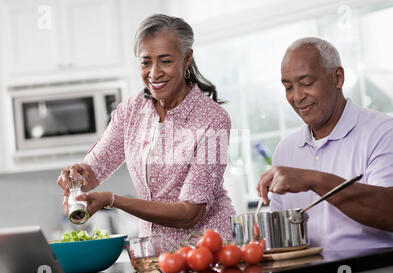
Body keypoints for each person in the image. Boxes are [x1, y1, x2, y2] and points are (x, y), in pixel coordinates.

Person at [57, 14, 235, 250]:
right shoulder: (131, 111)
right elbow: (93, 171)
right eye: (145, 62)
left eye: (165, 61)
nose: (154, 73)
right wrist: (75, 178)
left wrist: (112, 200)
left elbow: (190, 213)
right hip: (154, 254)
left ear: (187, 58)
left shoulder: (213, 119)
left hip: (207, 252)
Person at [256, 37, 393, 250]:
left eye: (307, 83)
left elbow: (389, 211)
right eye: (288, 87)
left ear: (337, 77)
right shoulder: (285, 150)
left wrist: (312, 179)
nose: (297, 97)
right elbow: (280, 240)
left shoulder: (383, 132)